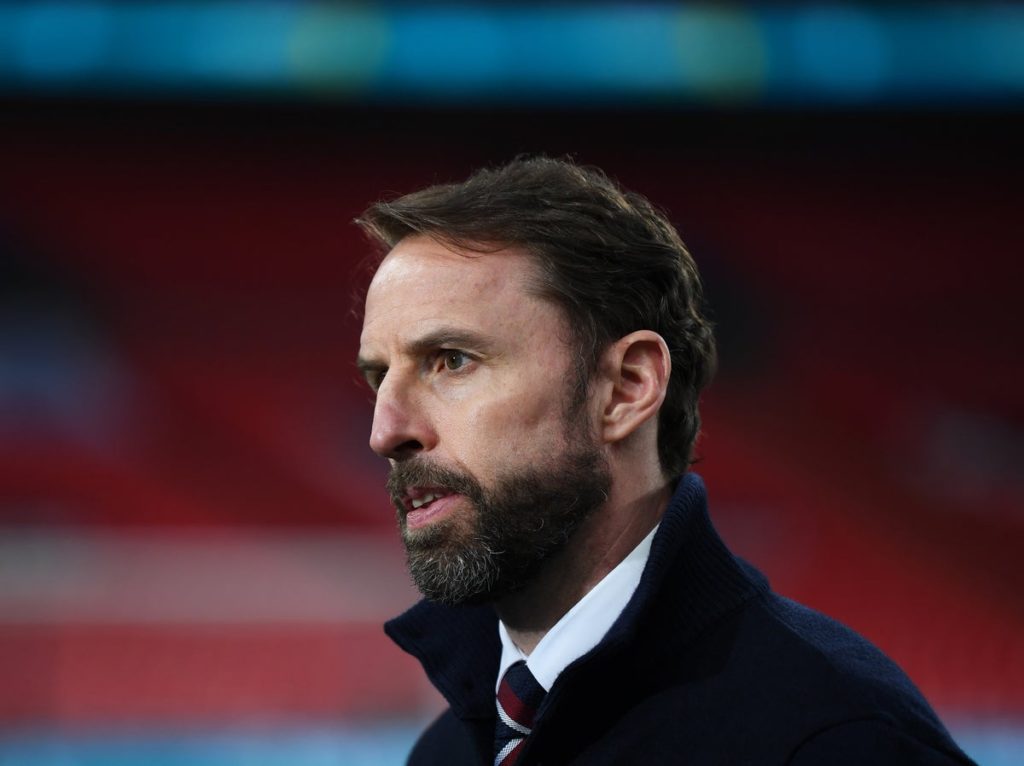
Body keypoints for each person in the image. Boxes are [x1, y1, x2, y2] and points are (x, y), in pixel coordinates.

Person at [354, 157, 976, 765]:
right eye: (379, 377)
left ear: (626, 388)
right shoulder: (446, 751)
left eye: (452, 360)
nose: (385, 432)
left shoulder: (833, 736)